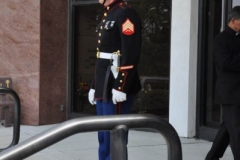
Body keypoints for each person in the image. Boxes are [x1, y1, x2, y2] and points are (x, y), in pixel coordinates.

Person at [88, 0, 142, 159]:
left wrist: (121, 85)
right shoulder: (109, 13)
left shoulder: (125, 13)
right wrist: (94, 85)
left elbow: (130, 52)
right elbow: (102, 57)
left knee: (115, 137)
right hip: (104, 83)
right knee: (104, 135)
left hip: (116, 84)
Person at [205, 6, 240, 160]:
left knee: (227, 128)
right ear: (233, 20)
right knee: (237, 131)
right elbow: (226, 63)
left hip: (238, 91)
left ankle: (212, 157)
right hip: (230, 92)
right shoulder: (221, 39)